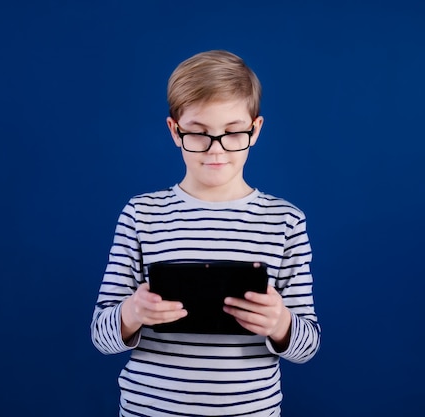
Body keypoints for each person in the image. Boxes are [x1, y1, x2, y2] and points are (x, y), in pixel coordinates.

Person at [91, 50, 321, 417]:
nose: (216, 150)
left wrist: (280, 324)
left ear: (255, 129)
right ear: (175, 130)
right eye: (198, 134)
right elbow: (101, 336)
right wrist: (133, 311)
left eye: (232, 133)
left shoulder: (285, 221)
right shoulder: (142, 215)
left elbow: (307, 346)